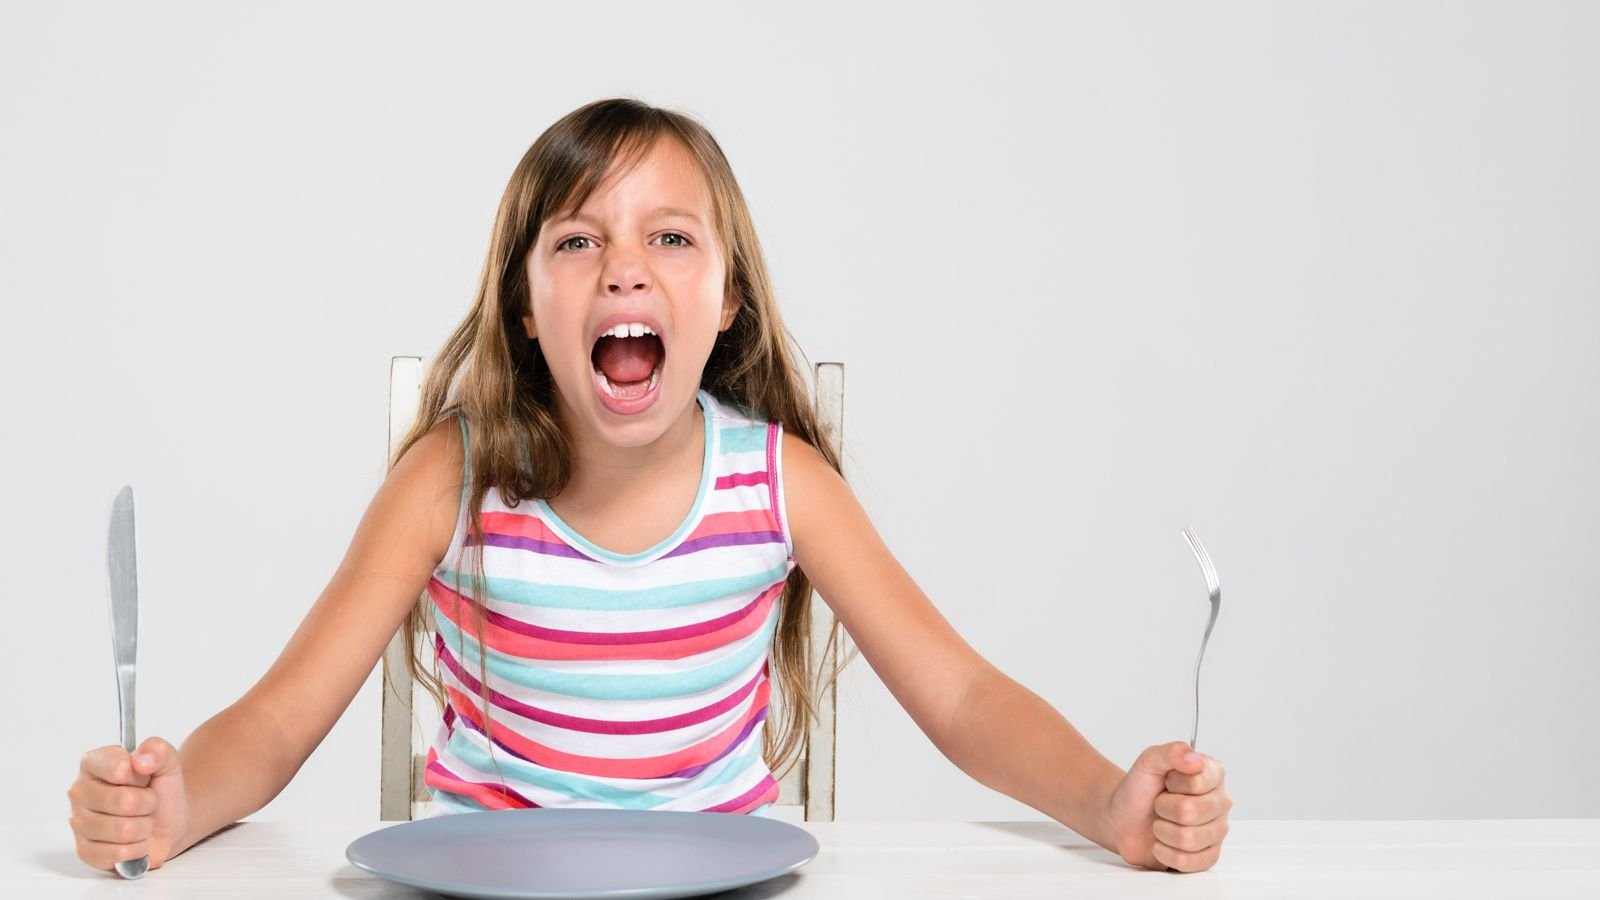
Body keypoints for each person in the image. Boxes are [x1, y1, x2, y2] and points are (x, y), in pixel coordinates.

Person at [67, 97, 1232, 875]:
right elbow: (278, 721)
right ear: (530, 310)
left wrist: (1104, 804)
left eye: (671, 239)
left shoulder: (782, 485)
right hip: (486, 885)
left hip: (717, 886)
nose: (624, 264)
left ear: (727, 301)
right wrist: (170, 811)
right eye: (577, 242)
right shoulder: (451, 478)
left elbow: (964, 699)